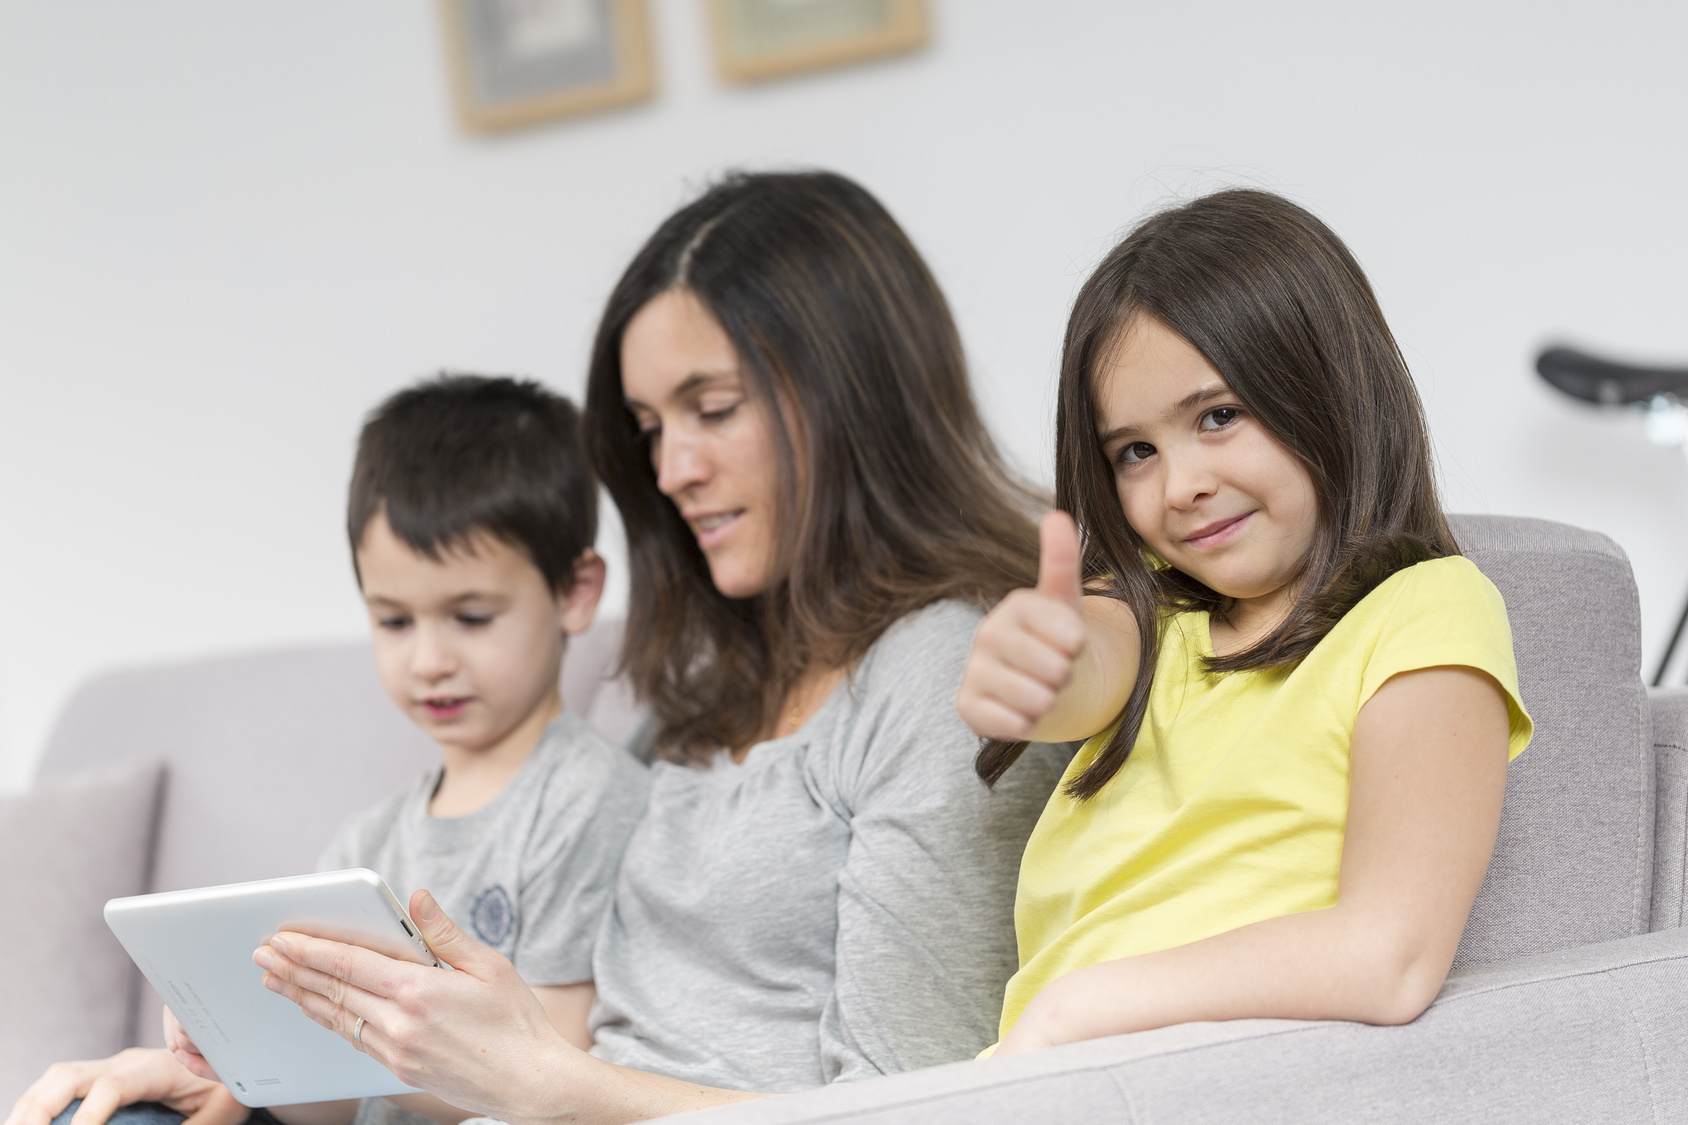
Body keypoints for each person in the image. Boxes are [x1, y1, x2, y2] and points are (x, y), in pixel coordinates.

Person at [9, 171, 1068, 1125]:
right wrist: (246, 1078)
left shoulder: (948, 676)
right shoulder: (701, 697)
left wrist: (530, 1079)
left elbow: (914, 1104)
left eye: (709, 409)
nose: (670, 470)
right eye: (650, 428)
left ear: (855, 402)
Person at [956, 188, 1535, 1056]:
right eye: (1135, 452)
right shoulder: (1152, 608)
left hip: (1192, 1075)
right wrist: (1040, 666)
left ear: (1328, 391)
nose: (1179, 483)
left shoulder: (1426, 610)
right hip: (1047, 1079)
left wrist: (1082, 1007)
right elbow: (1089, 665)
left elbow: (1391, 953)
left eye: (1219, 416)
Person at [8, 377, 649, 1125]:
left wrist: (356, 1037)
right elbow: (333, 1107)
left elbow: (547, 1080)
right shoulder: (367, 840)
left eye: (470, 616)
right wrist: (248, 1054)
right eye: (394, 620)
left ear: (576, 592)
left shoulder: (590, 800)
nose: (429, 659)